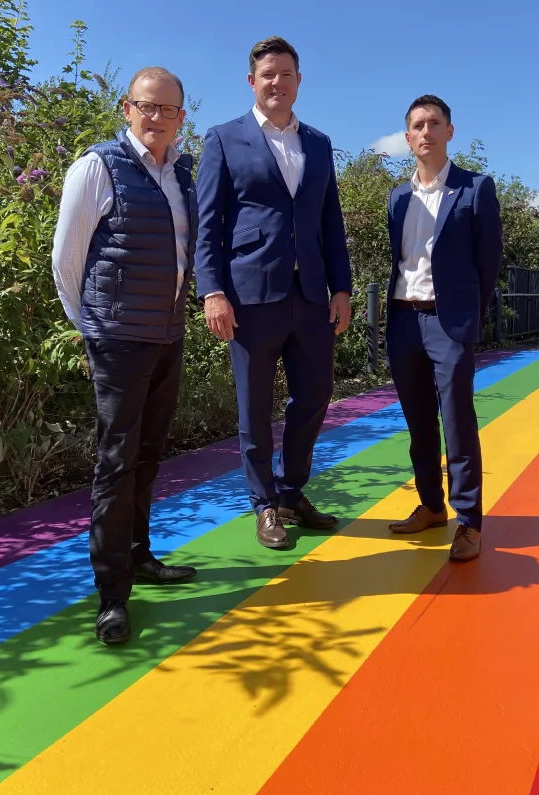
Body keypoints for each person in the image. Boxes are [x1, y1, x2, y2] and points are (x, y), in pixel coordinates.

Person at [51, 66, 198, 645]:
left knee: (150, 454)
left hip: (167, 335)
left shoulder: (183, 174)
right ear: (126, 107)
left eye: (168, 109)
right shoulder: (97, 167)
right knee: (116, 462)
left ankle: (139, 556)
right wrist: (92, 329)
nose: (157, 117)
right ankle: (113, 596)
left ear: (182, 118)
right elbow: (67, 259)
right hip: (118, 340)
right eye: (147, 106)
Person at [194, 36, 353, 548]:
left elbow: (331, 221)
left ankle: (291, 492)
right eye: (268, 74)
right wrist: (211, 291)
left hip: (310, 296)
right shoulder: (222, 138)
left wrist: (343, 287)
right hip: (249, 297)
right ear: (252, 82)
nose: (277, 83)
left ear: (298, 81)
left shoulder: (320, 144)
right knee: (254, 406)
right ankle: (264, 506)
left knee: (314, 396)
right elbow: (208, 223)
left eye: (286, 74)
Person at [383, 94, 503, 560]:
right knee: (417, 423)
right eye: (418, 125)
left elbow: (487, 262)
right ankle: (431, 506)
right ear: (408, 137)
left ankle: (469, 521)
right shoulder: (397, 196)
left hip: (448, 321)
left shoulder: (476, 189)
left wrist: (470, 313)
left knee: (457, 421)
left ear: (449, 132)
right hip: (402, 319)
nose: (426, 132)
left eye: (435, 123)